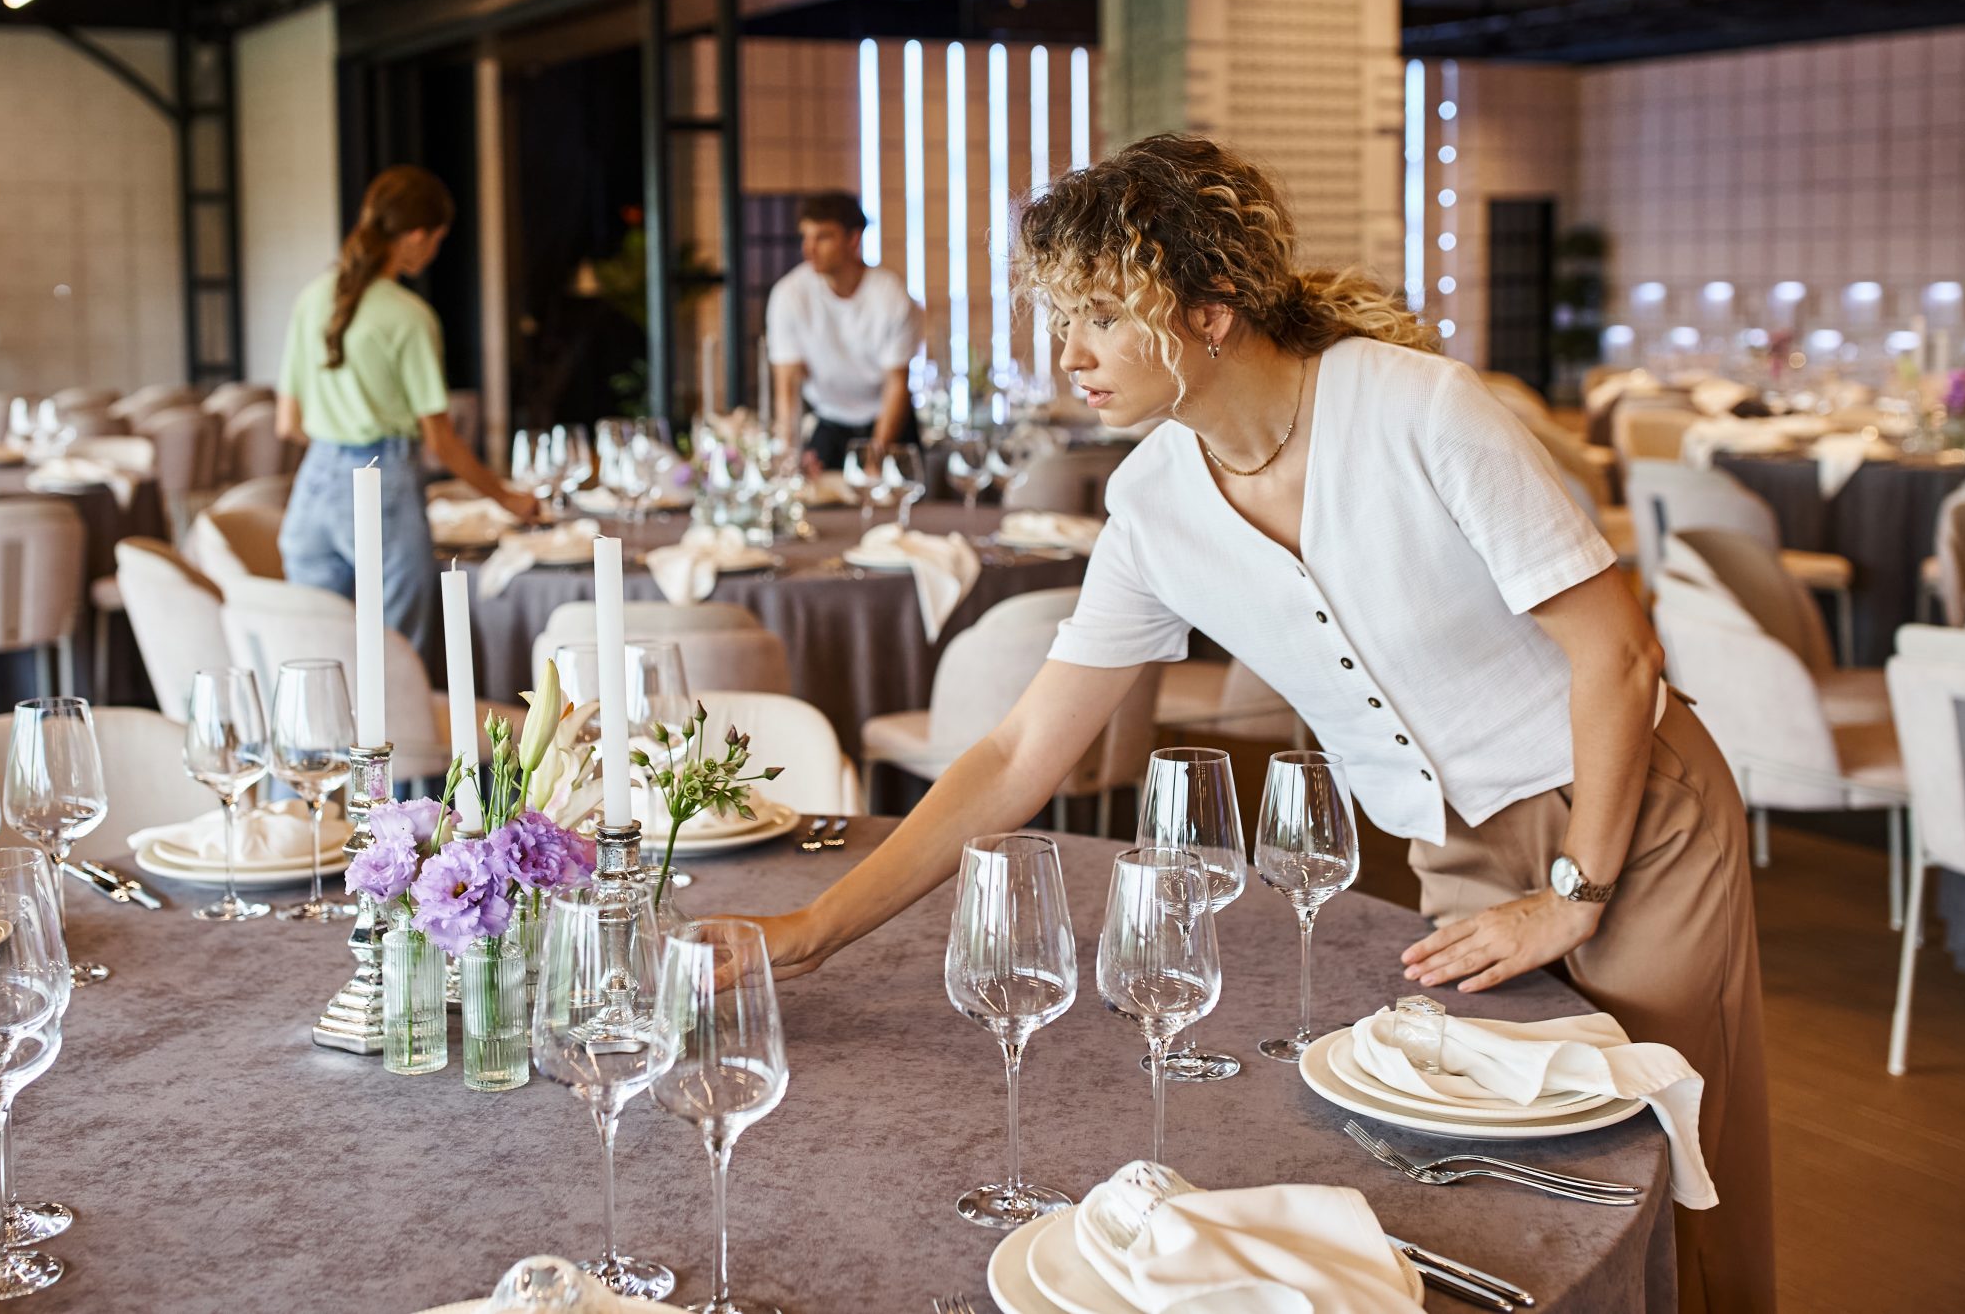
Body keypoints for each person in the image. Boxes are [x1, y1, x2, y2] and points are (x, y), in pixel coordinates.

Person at [750, 135, 1775, 1314]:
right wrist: (815, 929)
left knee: (1668, 1149)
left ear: (1209, 310)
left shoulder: (1417, 408)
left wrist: (1575, 893)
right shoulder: (1150, 502)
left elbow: (1620, 653)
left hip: (1633, 817)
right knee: (1501, 1167)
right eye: (1060, 319)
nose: (1068, 356)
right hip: (1452, 848)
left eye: (1100, 318)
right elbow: (1020, 750)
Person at [275, 166, 534, 649]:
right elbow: (441, 442)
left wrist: (342, 441)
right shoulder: (409, 316)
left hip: (311, 490)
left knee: (314, 650)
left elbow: (287, 424)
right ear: (416, 236)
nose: (434, 251)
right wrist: (510, 499)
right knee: (395, 654)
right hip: (383, 487)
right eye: (436, 239)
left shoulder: (312, 298)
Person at [766, 192, 924, 471]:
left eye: (823, 237)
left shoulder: (890, 294)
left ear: (853, 239)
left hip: (888, 421)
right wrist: (787, 457)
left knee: (896, 503)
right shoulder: (789, 295)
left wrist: (876, 458)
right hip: (830, 422)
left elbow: (896, 384)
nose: (809, 249)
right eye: (806, 237)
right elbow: (786, 385)